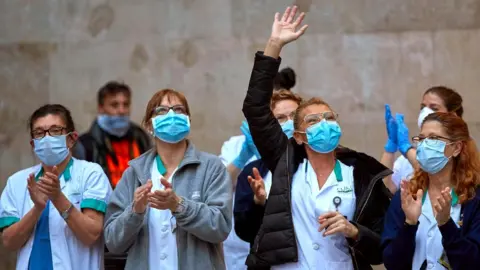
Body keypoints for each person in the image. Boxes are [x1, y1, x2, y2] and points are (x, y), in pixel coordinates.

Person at [240, 6, 392, 269]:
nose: (324, 124)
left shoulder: (362, 173)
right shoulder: (285, 161)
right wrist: (274, 44)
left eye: (329, 118)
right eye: (313, 121)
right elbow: (255, 108)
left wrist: (353, 230)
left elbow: (382, 248)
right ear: (299, 136)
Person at [103, 89, 232, 270]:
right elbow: (113, 241)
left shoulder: (211, 167)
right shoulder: (134, 173)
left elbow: (221, 227)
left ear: (188, 120)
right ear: (149, 125)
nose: (172, 115)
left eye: (179, 110)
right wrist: (135, 211)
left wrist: (178, 205)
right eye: (162, 111)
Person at [0, 104, 112, 270]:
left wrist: (57, 197)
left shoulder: (91, 174)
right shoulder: (17, 182)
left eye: (55, 130)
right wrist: (37, 209)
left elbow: (91, 235)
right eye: (39, 133)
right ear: (33, 144)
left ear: (71, 138)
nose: (47, 138)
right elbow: (9, 242)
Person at [382, 112, 480, 270]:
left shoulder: (474, 198)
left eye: (434, 138)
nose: (425, 144)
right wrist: (409, 224)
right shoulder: (408, 194)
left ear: (456, 148)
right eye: (421, 139)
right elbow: (392, 263)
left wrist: (446, 225)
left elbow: (473, 263)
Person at [224, 90, 302, 270]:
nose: (289, 122)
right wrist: (258, 203)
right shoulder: (253, 173)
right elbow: (245, 230)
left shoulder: (322, 164)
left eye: (294, 116)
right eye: (281, 118)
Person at [381, 86, 464, 194]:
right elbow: (386, 188)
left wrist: (406, 148)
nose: (425, 112)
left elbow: (431, 171)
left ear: (452, 116)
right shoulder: (405, 159)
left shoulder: (457, 150)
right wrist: (390, 147)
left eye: (434, 108)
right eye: (422, 107)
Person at [76, 81, 151, 188]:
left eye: (126, 105)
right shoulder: (85, 145)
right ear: (101, 108)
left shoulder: (141, 138)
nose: (121, 110)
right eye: (114, 105)